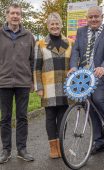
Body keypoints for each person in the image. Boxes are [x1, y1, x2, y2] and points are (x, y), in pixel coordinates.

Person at [68, 6, 104, 155]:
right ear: (87, 18)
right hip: (85, 75)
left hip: (101, 74)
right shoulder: (81, 31)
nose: (94, 19)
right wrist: (73, 67)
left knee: (97, 97)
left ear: (102, 17)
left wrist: (103, 67)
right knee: (88, 107)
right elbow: (76, 50)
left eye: (97, 16)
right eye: (91, 17)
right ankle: (98, 142)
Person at [34, 12, 72, 159]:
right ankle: (53, 148)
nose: (55, 26)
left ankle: (61, 146)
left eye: (57, 24)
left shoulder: (70, 43)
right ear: (48, 26)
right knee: (50, 118)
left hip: (65, 87)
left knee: (63, 117)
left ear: (61, 25)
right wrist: (39, 87)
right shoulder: (40, 44)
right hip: (48, 87)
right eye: (52, 24)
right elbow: (36, 67)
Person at [0, 3, 35, 164]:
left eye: (18, 14)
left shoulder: (29, 36)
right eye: (12, 13)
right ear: (6, 15)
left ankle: (22, 149)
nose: (15, 16)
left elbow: (33, 60)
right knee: (5, 118)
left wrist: (33, 81)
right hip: (3, 82)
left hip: (23, 82)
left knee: (22, 117)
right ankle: (5, 150)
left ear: (21, 16)